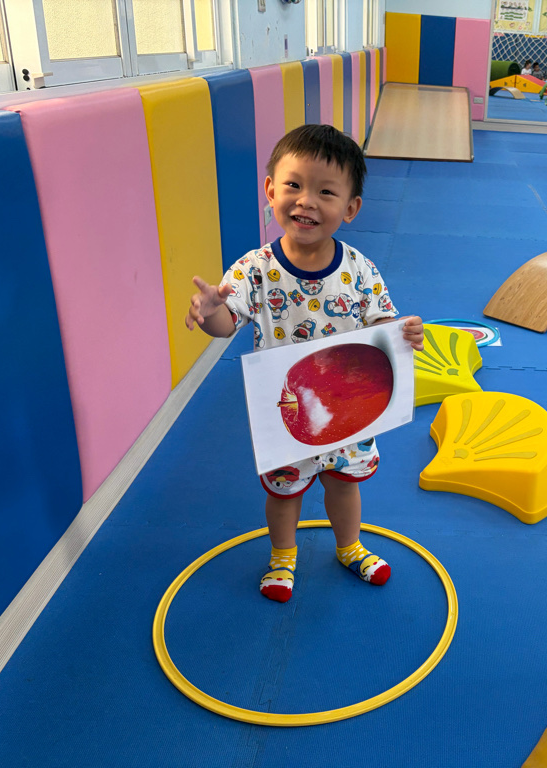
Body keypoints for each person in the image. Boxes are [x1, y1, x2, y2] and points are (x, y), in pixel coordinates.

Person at [185, 124, 425, 603]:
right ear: (270, 189)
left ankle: (349, 546)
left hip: (349, 411)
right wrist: (210, 310)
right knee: (283, 493)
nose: (306, 201)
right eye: (293, 185)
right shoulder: (254, 269)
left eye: (326, 192)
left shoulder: (360, 269)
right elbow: (226, 324)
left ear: (350, 208)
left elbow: (383, 324)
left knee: (344, 484)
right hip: (288, 414)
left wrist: (405, 332)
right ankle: (283, 556)